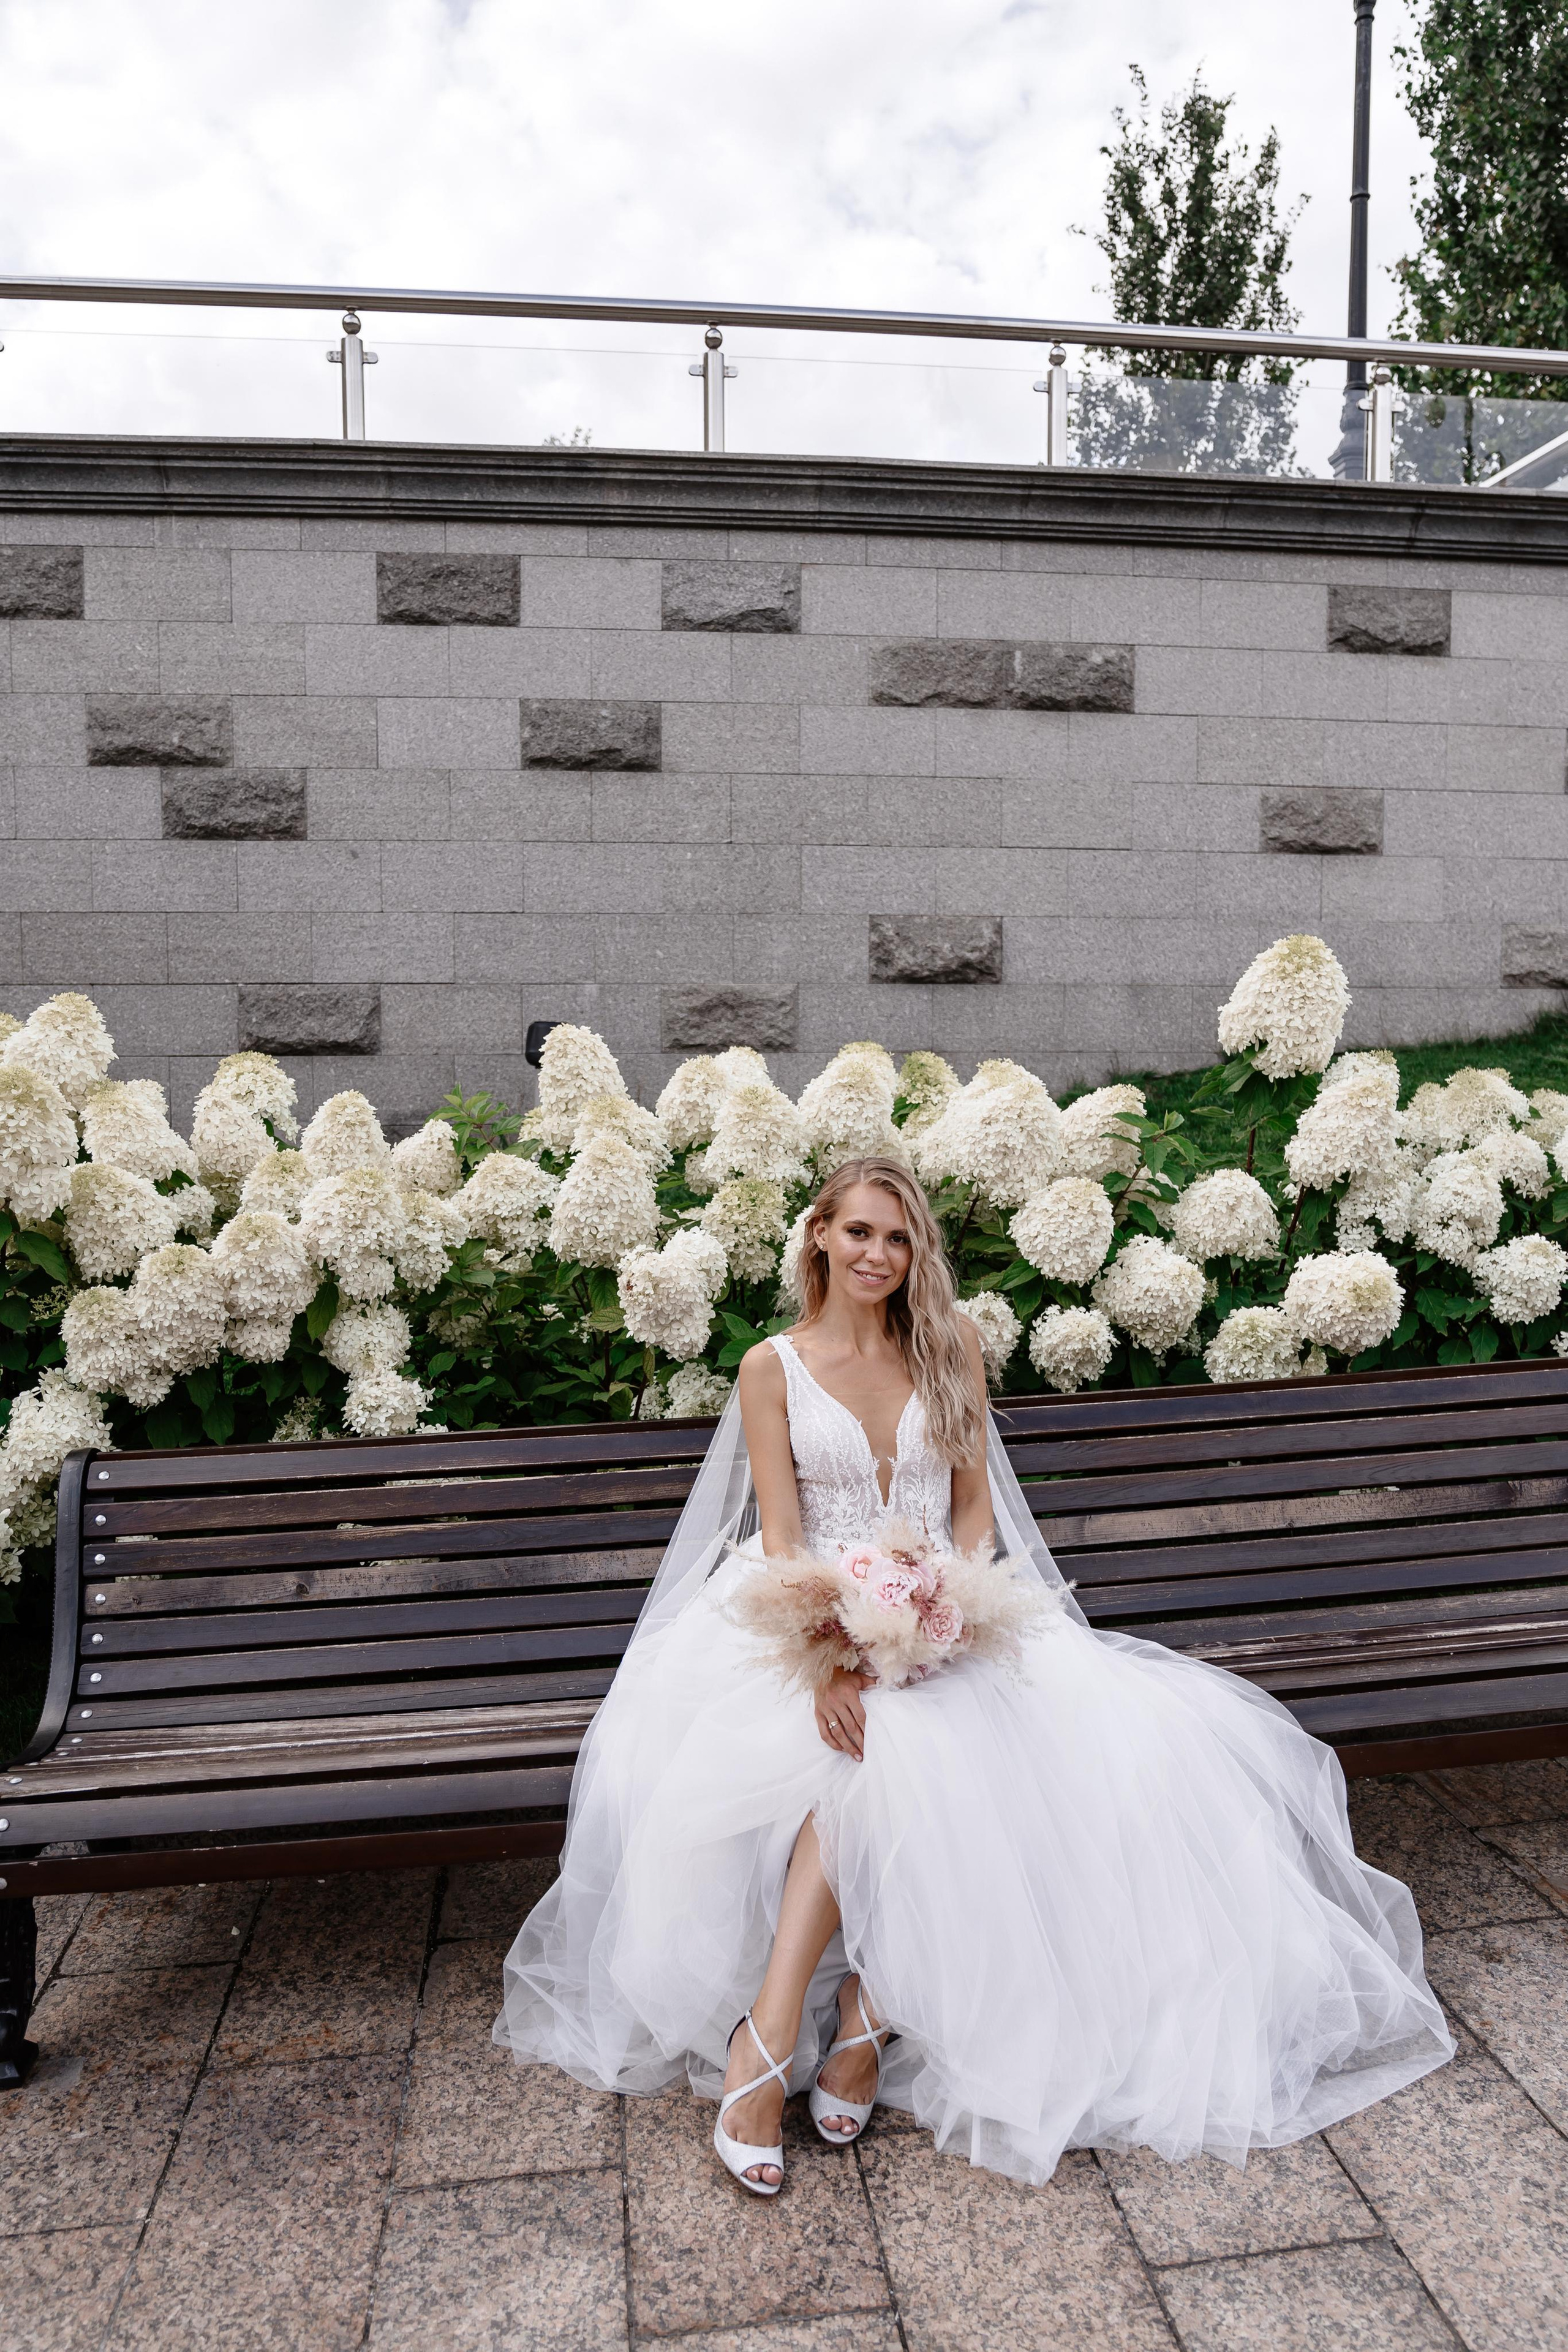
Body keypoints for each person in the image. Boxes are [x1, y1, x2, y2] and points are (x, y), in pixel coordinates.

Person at [495, 1158, 1452, 2193]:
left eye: (898, 1240)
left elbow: (974, 1519)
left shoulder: (948, 1349)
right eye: (859, 1233)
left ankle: (838, 2026)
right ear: (820, 1236)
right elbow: (780, 1536)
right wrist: (832, 1656)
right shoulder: (772, 1367)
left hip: (948, 1618)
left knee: (948, 1741)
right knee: (854, 1755)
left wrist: (939, 1617)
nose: (877, 1256)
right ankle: (792, 2034)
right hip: (804, 1624)